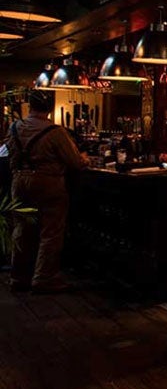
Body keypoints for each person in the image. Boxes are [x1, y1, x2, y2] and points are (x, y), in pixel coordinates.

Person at [7, 90, 89, 293]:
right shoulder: (55, 132)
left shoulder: (15, 128)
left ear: (30, 106)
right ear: (49, 108)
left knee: (21, 229)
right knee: (50, 231)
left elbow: (11, 154)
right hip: (48, 182)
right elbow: (75, 162)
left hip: (19, 179)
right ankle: (44, 278)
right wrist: (85, 159)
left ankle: (18, 276)